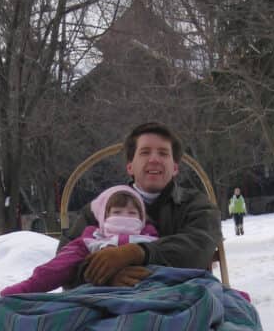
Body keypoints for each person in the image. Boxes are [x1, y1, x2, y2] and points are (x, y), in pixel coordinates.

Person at [60, 122, 222, 288]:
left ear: (175, 168)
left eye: (163, 153)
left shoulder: (196, 205)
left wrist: (138, 252)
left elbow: (200, 245)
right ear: (130, 167)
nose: (154, 159)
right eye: (145, 152)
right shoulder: (99, 209)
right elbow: (64, 261)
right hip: (106, 305)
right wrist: (105, 278)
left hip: (181, 298)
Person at [0, 186, 158, 296]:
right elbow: (58, 267)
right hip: (102, 298)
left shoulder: (152, 241)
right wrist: (28, 287)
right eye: (117, 212)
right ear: (103, 217)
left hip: (150, 295)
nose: (124, 218)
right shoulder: (91, 241)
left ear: (142, 219)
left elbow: (172, 263)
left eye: (132, 213)